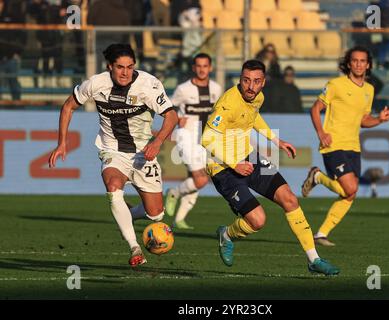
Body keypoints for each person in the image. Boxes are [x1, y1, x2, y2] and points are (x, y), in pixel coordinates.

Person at [201, 60, 340, 276]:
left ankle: (314, 259)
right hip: (223, 167)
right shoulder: (227, 104)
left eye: (256, 81)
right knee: (258, 220)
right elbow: (207, 139)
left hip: (249, 158)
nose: (250, 86)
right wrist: (235, 164)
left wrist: (277, 141)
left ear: (263, 83)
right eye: (246, 80)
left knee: (290, 199)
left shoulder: (258, 97)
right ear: (240, 79)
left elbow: (254, 118)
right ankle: (226, 234)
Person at [48, 44, 178, 267]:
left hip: (143, 153)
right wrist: (61, 142)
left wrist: (157, 142)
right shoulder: (96, 84)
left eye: (130, 67)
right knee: (113, 186)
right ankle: (134, 247)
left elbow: (172, 117)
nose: (125, 72)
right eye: (120, 67)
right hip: (112, 150)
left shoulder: (149, 85)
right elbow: (68, 106)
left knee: (156, 215)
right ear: (110, 67)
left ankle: (126, 212)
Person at [301, 46, 389, 247]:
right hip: (333, 145)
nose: (359, 64)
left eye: (363, 61)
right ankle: (317, 175)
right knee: (350, 187)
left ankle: (321, 233)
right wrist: (321, 133)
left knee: (350, 194)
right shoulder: (335, 85)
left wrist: (379, 119)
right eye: (355, 60)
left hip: (354, 147)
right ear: (349, 63)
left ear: (368, 65)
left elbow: (364, 120)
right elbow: (315, 108)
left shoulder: (369, 90)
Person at [165, 53, 222, 229]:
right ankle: (174, 192)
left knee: (197, 179)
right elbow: (168, 107)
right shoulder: (183, 89)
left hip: (207, 139)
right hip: (187, 137)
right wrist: (177, 118)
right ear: (193, 68)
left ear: (210, 68)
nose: (202, 69)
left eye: (205, 66)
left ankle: (179, 219)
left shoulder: (216, 88)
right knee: (201, 179)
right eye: (198, 66)